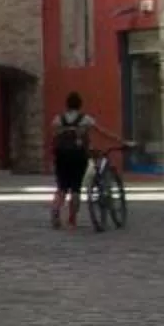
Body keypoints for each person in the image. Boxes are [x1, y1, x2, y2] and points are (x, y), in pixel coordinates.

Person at [51, 92, 114, 227]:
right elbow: (101, 132)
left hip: (61, 156)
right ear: (80, 105)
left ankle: (56, 210)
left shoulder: (58, 119)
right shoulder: (85, 119)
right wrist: (119, 140)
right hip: (79, 156)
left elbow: (54, 136)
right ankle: (72, 219)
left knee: (61, 187)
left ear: (67, 104)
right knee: (76, 187)